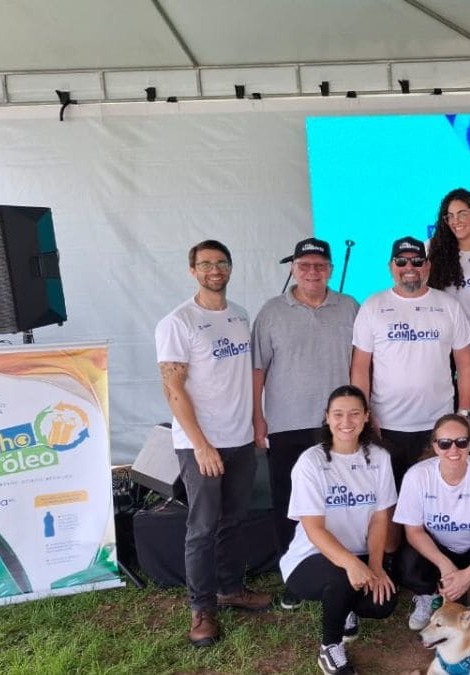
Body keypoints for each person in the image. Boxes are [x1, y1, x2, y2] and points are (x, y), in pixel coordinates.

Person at [155, 240, 271, 647]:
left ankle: (230, 588)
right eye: (205, 264)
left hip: (239, 439)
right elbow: (173, 387)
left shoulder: (239, 316)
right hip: (200, 444)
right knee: (202, 528)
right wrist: (201, 445)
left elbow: (246, 377)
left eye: (221, 262)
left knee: (233, 521)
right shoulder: (178, 321)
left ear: (231, 267)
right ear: (193, 271)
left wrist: (256, 423)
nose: (214, 270)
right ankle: (201, 609)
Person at [252, 237, 360, 555]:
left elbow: (361, 364)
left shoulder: (350, 306)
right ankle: (293, 565)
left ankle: (342, 559)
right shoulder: (272, 311)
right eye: (304, 265)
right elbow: (257, 369)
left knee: (340, 496)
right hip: (286, 424)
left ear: (330, 269)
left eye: (319, 265)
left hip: (339, 425)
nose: (312, 271)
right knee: (290, 498)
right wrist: (258, 418)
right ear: (294, 269)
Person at [279, 386, 397, 675]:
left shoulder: (379, 458)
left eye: (355, 413)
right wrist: (354, 565)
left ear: (366, 417)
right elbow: (314, 529)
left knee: (383, 603)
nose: (347, 421)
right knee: (344, 576)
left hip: (357, 555)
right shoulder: (311, 462)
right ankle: (329, 647)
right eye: (338, 414)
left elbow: (380, 519)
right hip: (309, 559)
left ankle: (346, 607)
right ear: (327, 418)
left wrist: (376, 566)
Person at [350, 236, 470, 486]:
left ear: (427, 266)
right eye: (402, 261)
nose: (410, 268)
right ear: (390, 266)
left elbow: (465, 364)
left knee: (435, 495)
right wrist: (363, 414)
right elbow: (360, 367)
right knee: (389, 502)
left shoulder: (448, 305)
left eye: (417, 261)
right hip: (385, 424)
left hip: (438, 423)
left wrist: (464, 412)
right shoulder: (373, 306)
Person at [394, 414, 470, 631]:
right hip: (438, 545)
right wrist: (445, 565)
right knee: (407, 565)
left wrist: (469, 574)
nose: (454, 450)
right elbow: (413, 531)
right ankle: (428, 594)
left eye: (461, 442)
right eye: (445, 444)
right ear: (435, 446)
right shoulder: (417, 476)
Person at [427, 189, 470, 456]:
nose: (456, 221)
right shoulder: (432, 249)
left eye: (463, 214)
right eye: (450, 216)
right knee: (440, 398)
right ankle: (439, 456)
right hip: (440, 340)